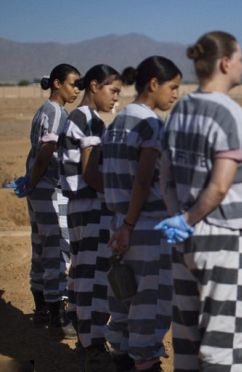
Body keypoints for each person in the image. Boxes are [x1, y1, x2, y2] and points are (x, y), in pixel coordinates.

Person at [156, 31, 242, 371]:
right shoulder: (228, 113)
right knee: (225, 343)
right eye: (240, 58)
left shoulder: (182, 108)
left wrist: (179, 220)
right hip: (223, 238)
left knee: (187, 336)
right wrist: (188, 220)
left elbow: (165, 177)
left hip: (185, 240)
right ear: (225, 63)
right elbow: (219, 187)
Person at [101, 56, 181, 372]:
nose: (175, 95)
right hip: (143, 230)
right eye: (172, 87)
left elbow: (100, 173)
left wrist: (121, 224)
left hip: (118, 225)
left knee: (123, 300)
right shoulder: (150, 125)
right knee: (150, 306)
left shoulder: (117, 123)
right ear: (153, 84)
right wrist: (131, 224)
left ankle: (120, 361)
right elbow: (144, 180)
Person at [59, 64, 123, 371]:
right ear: (94, 86)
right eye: (113, 91)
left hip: (80, 208)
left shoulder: (80, 117)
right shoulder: (88, 119)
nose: (115, 99)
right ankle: (94, 344)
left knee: (82, 274)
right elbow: (90, 171)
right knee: (95, 278)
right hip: (91, 208)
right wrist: (116, 197)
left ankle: (85, 337)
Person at [16, 64, 80, 338]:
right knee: (57, 250)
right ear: (57, 83)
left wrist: (31, 182)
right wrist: (34, 180)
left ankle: (42, 309)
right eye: (72, 84)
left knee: (41, 247)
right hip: (49, 189)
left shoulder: (46, 110)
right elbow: (47, 151)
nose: (76, 90)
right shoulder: (55, 113)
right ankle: (58, 316)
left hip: (39, 189)